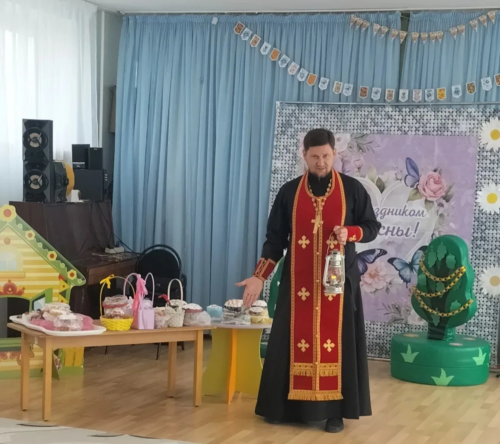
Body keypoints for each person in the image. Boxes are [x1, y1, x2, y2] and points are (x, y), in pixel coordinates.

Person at [237, 128, 381, 433]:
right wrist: (259, 277)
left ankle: (335, 413)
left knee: (337, 343)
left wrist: (350, 232)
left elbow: (371, 226)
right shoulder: (289, 193)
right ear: (304, 155)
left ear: (335, 154)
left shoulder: (352, 190)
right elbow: (275, 240)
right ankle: (288, 408)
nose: (321, 162)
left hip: (338, 287)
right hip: (298, 286)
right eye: (314, 156)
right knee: (291, 342)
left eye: (326, 156)